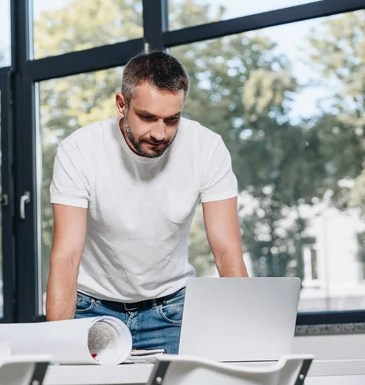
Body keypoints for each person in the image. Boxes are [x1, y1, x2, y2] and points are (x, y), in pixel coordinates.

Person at [45, 50, 249, 354]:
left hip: (172, 308)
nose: (159, 133)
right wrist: (59, 349)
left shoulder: (206, 148)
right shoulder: (79, 151)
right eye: (147, 117)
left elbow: (226, 250)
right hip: (92, 309)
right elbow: (67, 256)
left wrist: (247, 339)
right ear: (121, 104)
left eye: (172, 120)